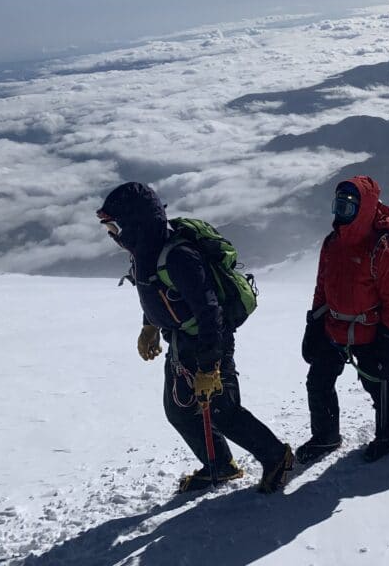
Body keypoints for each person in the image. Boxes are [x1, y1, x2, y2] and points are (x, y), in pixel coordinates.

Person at [96, 182, 293, 494]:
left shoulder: (179, 256)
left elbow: (210, 312)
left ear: (134, 223)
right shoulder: (145, 251)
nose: (112, 233)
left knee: (221, 411)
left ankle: (276, 456)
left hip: (209, 339)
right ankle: (220, 465)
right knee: (179, 410)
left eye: (114, 225)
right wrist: (150, 326)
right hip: (180, 339)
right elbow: (156, 294)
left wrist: (209, 366)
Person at [300, 176, 389, 464]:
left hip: (370, 330)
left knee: (377, 382)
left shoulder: (379, 249)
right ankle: (326, 437)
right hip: (332, 326)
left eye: (349, 207)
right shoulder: (332, 243)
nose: (341, 213)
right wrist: (314, 321)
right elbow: (322, 286)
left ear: (364, 209)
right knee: (318, 381)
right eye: (339, 205)